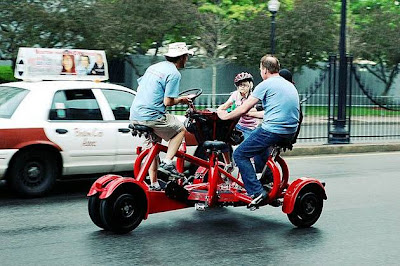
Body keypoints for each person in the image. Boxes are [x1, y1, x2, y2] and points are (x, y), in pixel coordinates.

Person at [217, 55, 300, 207]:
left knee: (240, 154)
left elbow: (243, 108)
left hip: (273, 130)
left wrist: (225, 117)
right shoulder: (288, 84)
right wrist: (252, 114)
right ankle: (268, 182)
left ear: (265, 70)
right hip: (290, 131)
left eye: (261, 69)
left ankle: (256, 192)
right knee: (260, 147)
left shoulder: (265, 84)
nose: (261, 72)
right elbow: (274, 111)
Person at [130, 42, 194, 191]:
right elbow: (168, 101)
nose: (187, 60)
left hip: (135, 114)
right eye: (186, 57)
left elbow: (143, 88)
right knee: (180, 130)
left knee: (154, 145)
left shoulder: (153, 68)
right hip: (152, 115)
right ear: (182, 57)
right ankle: (167, 162)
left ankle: (154, 184)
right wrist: (183, 99)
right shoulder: (174, 74)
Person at [217, 72, 259, 139]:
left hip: (250, 127)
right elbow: (226, 105)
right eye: (240, 85)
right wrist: (219, 110)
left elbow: (253, 110)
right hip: (238, 124)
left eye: (245, 85)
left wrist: (239, 110)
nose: (242, 87)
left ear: (250, 86)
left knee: (247, 146)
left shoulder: (253, 96)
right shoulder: (235, 94)